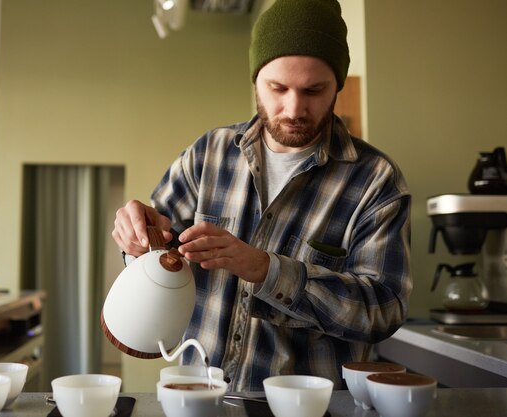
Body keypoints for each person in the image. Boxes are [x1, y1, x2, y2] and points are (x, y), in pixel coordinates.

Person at [112, 0, 411, 391]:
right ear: (255, 80)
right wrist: (139, 241)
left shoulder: (376, 181)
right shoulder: (208, 154)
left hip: (307, 409)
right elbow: (152, 254)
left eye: (314, 90)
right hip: (198, 400)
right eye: (277, 87)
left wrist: (269, 271)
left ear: (338, 83)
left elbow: (383, 311)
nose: (294, 108)